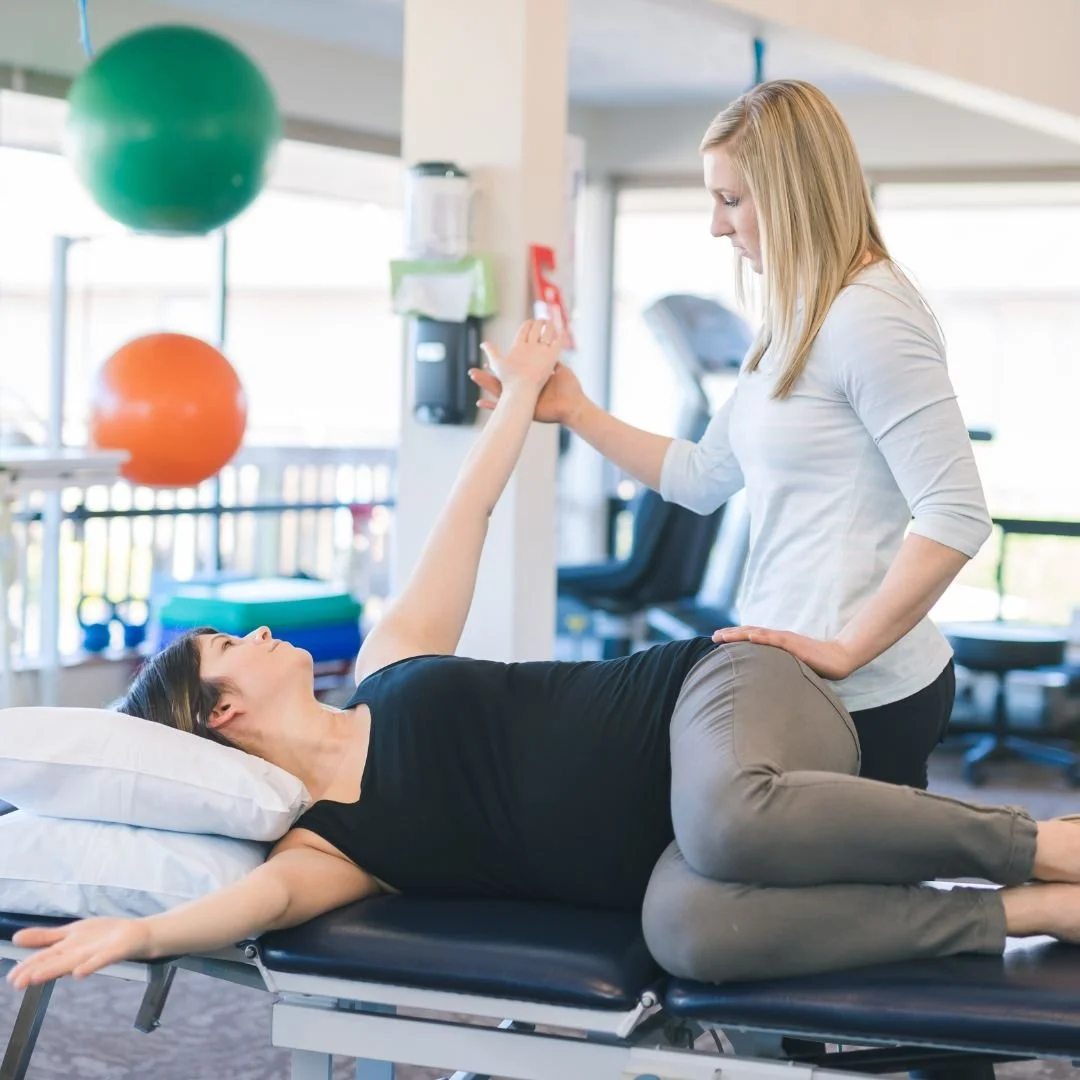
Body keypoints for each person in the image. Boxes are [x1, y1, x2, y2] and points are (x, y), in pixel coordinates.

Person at [7, 318, 1080, 995]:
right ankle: (1026, 910)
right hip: (676, 859)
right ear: (221, 716)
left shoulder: (389, 665)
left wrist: (527, 391)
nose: (255, 633)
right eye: (227, 648)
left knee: (727, 812)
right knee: (689, 932)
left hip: (715, 692)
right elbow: (250, 911)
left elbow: (465, 513)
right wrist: (140, 931)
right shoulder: (328, 850)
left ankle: (1040, 847)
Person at [471, 80, 991, 792]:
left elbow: (955, 514)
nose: (718, 226)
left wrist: (844, 650)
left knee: (842, 898)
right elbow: (702, 476)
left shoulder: (870, 317)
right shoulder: (793, 318)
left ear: (791, 194)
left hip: (866, 692)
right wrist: (576, 411)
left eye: (732, 199)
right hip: (792, 674)